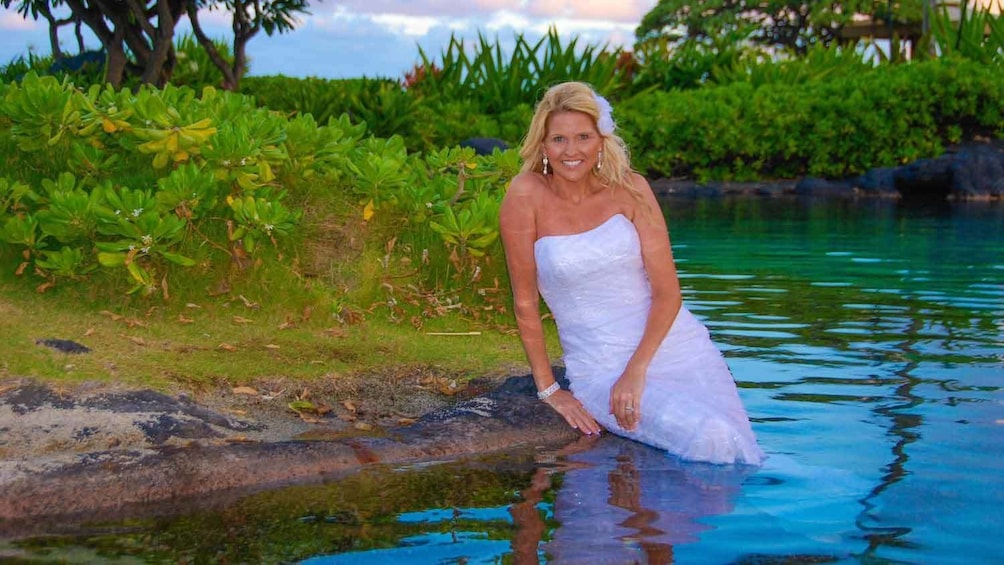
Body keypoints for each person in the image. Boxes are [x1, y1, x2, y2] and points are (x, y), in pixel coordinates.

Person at [499, 82, 765, 465]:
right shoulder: (525, 195)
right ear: (542, 145)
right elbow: (524, 301)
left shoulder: (632, 190)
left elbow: (668, 293)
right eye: (558, 139)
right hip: (601, 366)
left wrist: (636, 371)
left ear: (602, 140)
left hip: (678, 350)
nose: (571, 151)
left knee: (740, 452)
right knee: (712, 439)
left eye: (583, 137)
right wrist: (549, 389)